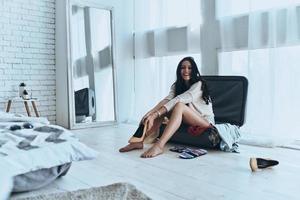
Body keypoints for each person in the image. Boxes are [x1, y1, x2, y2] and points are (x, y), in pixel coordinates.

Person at [119, 57, 219, 158]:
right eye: (183, 68)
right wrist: (149, 113)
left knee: (179, 106)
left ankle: (159, 145)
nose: (186, 71)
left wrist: (155, 115)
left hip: (205, 121)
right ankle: (139, 141)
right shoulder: (177, 85)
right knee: (162, 111)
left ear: (194, 70)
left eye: (190, 68)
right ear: (179, 70)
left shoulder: (199, 84)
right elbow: (167, 100)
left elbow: (179, 99)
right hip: (190, 118)